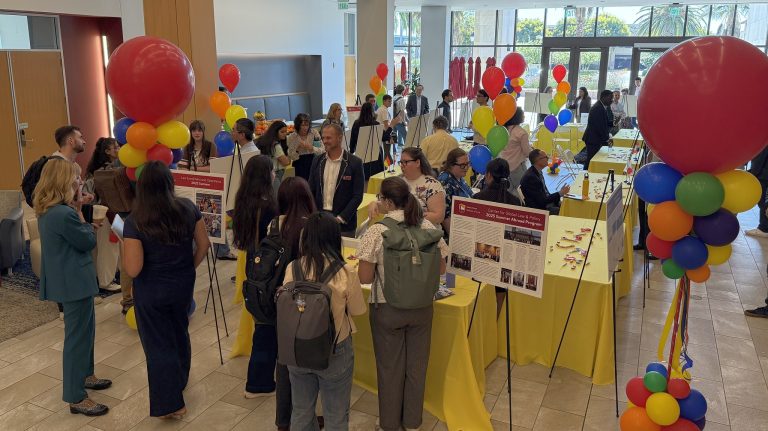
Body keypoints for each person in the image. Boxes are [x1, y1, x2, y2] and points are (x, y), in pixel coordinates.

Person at [357, 176, 448, 431]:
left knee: (389, 369)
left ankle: (388, 424)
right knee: (417, 368)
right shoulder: (427, 224)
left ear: (386, 202)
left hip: (387, 308)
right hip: (422, 308)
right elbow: (441, 268)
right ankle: (412, 422)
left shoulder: (377, 231)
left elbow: (365, 278)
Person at [122, 161, 209, 419]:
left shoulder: (135, 220)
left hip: (151, 289)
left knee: (158, 345)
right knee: (179, 331)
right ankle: (179, 379)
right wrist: (187, 266)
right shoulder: (188, 208)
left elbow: (134, 269)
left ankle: (172, 404)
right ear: (170, 183)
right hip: (182, 283)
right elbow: (203, 244)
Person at [34, 158, 112, 416]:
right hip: (73, 281)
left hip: (69, 278)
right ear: (63, 181)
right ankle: (76, 396)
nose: (80, 181)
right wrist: (81, 215)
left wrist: (79, 214)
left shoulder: (51, 209)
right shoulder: (65, 213)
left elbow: (75, 236)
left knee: (84, 332)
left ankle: (86, 374)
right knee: (77, 338)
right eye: (76, 177)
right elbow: (87, 242)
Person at [283, 212, 366, 431]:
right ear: (334, 238)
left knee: (301, 411)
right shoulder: (346, 272)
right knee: (336, 416)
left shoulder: (294, 267)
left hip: (297, 348)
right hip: (335, 350)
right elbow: (358, 310)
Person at [270, 176, 317, 430]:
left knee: (283, 361)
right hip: (304, 301)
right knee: (305, 365)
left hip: (279, 299)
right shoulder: (310, 226)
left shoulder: (274, 225)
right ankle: (304, 417)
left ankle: (283, 421)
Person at [231, 155, 280, 399]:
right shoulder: (268, 205)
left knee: (262, 324)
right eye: (272, 171)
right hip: (266, 270)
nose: (275, 174)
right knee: (266, 328)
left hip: (252, 266)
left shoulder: (243, 200)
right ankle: (258, 383)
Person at [473, 158, 522, 316]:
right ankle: (497, 321)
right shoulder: (515, 201)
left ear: (487, 175)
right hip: (506, 258)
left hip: (480, 257)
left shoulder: (478, 199)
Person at [308, 123, 365, 237]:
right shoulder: (317, 161)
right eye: (323, 137)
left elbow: (357, 196)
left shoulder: (355, 163)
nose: (325, 141)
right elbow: (311, 190)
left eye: (328, 138)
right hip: (320, 222)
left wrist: (341, 218)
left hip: (344, 225)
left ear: (340, 138)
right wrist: (315, 215)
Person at [370, 147, 445, 227]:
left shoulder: (432, 185)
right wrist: (375, 204)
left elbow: (438, 217)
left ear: (417, 163)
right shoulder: (399, 181)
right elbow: (388, 206)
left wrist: (405, 216)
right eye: (400, 162)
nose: (402, 166)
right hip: (399, 231)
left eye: (405, 162)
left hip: (423, 233)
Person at [83, 137, 121, 293]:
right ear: (107, 152)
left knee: (99, 247)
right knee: (110, 246)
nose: (119, 149)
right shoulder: (108, 171)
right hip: (108, 212)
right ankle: (107, 280)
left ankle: (101, 276)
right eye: (116, 147)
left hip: (97, 212)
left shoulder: (95, 170)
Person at [520, 149, 570, 215]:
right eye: (546, 157)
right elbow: (542, 201)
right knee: (565, 211)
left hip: (544, 204)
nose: (548, 159)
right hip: (538, 210)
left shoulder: (537, 172)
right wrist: (560, 193)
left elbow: (545, 194)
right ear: (538, 160)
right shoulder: (531, 178)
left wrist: (559, 196)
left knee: (566, 205)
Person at [437, 148, 472, 235]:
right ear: (452, 165)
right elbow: (445, 217)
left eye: (468, 164)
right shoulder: (445, 181)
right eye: (463, 165)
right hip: (453, 231)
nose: (467, 168)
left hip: (464, 224)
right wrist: (456, 239)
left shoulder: (459, 176)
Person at [498, 107, 532, 193]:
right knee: (521, 191)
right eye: (523, 114)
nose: (524, 116)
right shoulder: (521, 132)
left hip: (504, 165)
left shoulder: (502, 129)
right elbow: (527, 152)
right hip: (517, 167)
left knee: (507, 191)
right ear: (518, 117)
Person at [581, 90, 614, 169]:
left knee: (591, 159)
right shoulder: (598, 108)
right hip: (593, 139)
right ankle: (584, 175)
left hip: (594, 138)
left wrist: (613, 123)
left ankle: (587, 174)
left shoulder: (601, 106)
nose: (611, 101)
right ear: (604, 97)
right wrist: (607, 138)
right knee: (591, 160)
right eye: (610, 98)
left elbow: (604, 122)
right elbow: (600, 127)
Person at [349, 102, 384, 177]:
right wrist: (391, 126)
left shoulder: (356, 123)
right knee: (376, 175)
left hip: (361, 152)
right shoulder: (376, 124)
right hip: (375, 153)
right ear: (372, 111)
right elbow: (384, 138)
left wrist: (351, 151)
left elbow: (353, 139)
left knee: (363, 175)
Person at [256, 120, 291, 191]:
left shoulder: (265, 141)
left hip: (265, 173)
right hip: (276, 174)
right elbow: (286, 162)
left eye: (286, 131)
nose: (285, 134)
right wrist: (290, 155)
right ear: (275, 132)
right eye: (282, 132)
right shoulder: (275, 145)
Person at [288, 113, 324, 181]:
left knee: (314, 185)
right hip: (299, 164)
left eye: (307, 125)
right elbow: (291, 157)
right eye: (302, 125)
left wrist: (311, 148)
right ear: (298, 125)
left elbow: (322, 150)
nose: (305, 128)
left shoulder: (314, 133)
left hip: (313, 161)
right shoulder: (292, 137)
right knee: (302, 186)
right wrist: (297, 150)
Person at [746, 146, 768, 238]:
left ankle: (764, 228)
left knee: (763, 201)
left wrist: (753, 173)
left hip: (764, 175)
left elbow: (759, 158)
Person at [376, 94, 402, 168]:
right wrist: (389, 136)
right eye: (389, 101)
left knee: (387, 152)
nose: (390, 103)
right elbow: (386, 124)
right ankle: (388, 168)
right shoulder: (384, 110)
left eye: (391, 101)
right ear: (384, 101)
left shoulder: (381, 109)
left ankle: (388, 167)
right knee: (387, 152)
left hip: (382, 133)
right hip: (384, 133)